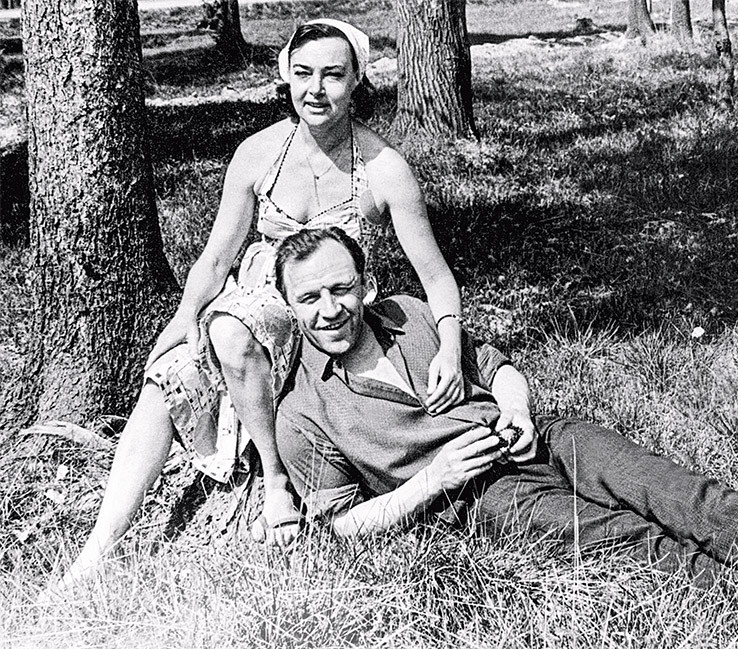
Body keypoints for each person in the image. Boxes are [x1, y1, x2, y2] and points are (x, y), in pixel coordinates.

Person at [43, 19, 464, 598]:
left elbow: (435, 275)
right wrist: (183, 318)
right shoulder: (258, 153)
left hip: (327, 314)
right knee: (168, 375)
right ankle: (98, 551)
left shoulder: (383, 167)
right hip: (253, 301)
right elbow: (217, 258)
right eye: (303, 73)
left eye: (333, 75)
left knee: (231, 330)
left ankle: (275, 480)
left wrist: (449, 345)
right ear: (286, 77)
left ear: (357, 81)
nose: (315, 89)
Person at [272, 226, 738, 589]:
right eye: (309, 298)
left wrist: (518, 411)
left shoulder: (411, 313)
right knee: (621, 536)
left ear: (367, 285)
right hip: (474, 496)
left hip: (537, 436)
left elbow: (498, 368)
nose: (329, 309)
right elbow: (340, 526)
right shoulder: (302, 413)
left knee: (667, 486)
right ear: (289, 306)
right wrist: (432, 481)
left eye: (341, 288)